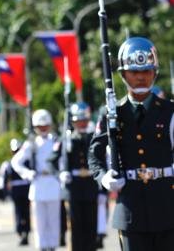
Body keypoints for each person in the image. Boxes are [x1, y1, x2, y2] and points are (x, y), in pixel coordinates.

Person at [88, 37, 174, 251]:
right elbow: (94, 154)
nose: (141, 77)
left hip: (167, 204)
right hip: (130, 208)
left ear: (154, 72)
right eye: (135, 72)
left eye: (146, 71)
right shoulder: (111, 113)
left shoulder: (170, 111)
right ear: (123, 74)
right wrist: (104, 177)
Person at [49, 102, 99, 251]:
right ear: (73, 121)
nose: (82, 124)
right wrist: (60, 174)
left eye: (84, 120)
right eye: (79, 121)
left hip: (90, 186)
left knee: (91, 226)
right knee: (76, 227)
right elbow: (51, 162)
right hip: (73, 189)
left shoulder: (94, 137)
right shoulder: (65, 139)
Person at [12, 109, 61, 251]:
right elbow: (16, 162)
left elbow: (63, 161)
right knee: (39, 222)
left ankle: (53, 246)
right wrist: (27, 173)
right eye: (40, 126)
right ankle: (42, 246)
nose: (44, 128)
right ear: (35, 127)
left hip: (52, 183)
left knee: (53, 221)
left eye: (46, 125)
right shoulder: (31, 144)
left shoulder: (56, 142)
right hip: (38, 184)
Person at [0, 138, 31, 246]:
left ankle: (23, 232)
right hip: (22, 189)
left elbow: (5, 180)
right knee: (23, 212)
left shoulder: (16, 162)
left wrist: (4, 194)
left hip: (19, 190)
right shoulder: (17, 163)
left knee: (21, 212)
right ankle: (23, 232)